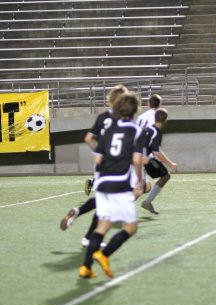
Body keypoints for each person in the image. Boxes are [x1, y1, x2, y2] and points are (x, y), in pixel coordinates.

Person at [79, 92, 144, 279]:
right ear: (134, 110)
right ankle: (104, 255)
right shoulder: (135, 130)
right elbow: (137, 159)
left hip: (102, 183)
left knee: (103, 225)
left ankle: (86, 267)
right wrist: (138, 182)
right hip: (120, 185)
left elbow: (98, 157)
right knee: (130, 228)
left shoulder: (108, 131)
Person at [60, 83, 129, 247]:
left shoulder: (103, 117)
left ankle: (83, 225)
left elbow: (88, 138)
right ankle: (89, 237)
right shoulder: (123, 120)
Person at [140, 108, 177, 215]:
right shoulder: (156, 132)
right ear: (165, 121)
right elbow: (157, 153)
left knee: (141, 187)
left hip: (138, 158)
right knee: (139, 189)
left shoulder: (148, 129)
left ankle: (147, 202)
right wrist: (170, 164)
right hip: (142, 160)